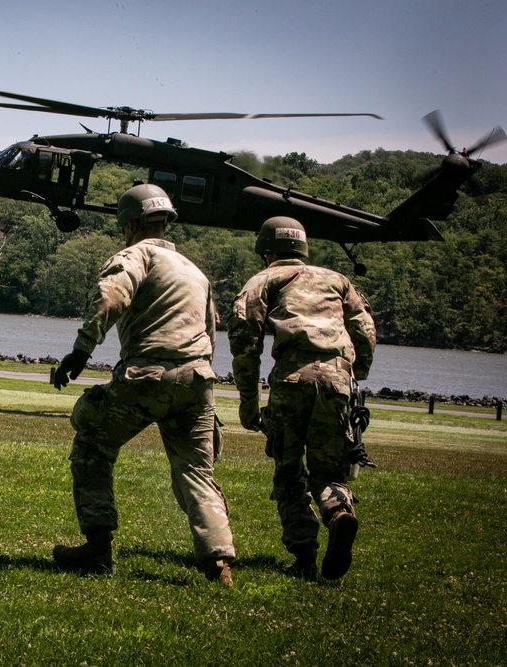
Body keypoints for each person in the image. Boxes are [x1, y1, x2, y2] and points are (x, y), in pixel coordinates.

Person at [51, 184, 236, 585]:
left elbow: (110, 298)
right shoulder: (193, 269)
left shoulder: (137, 254)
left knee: (92, 444)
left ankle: (97, 549)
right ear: (166, 221)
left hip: (148, 375)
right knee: (196, 472)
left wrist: (81, 351)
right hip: (198, 377)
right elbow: (210, 330)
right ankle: (218, 562)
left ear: (130, 223)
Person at [227, 216, 376, 581]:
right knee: (329, 468)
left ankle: (304, 554)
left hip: (291, 379)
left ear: (266, 249)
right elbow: (365, 332)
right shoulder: (338, 280)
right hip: (337, 379)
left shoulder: (264, 280)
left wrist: (249, 401)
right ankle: (339, 514)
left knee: (289, 471)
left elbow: (245, 342)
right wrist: (355, 373)